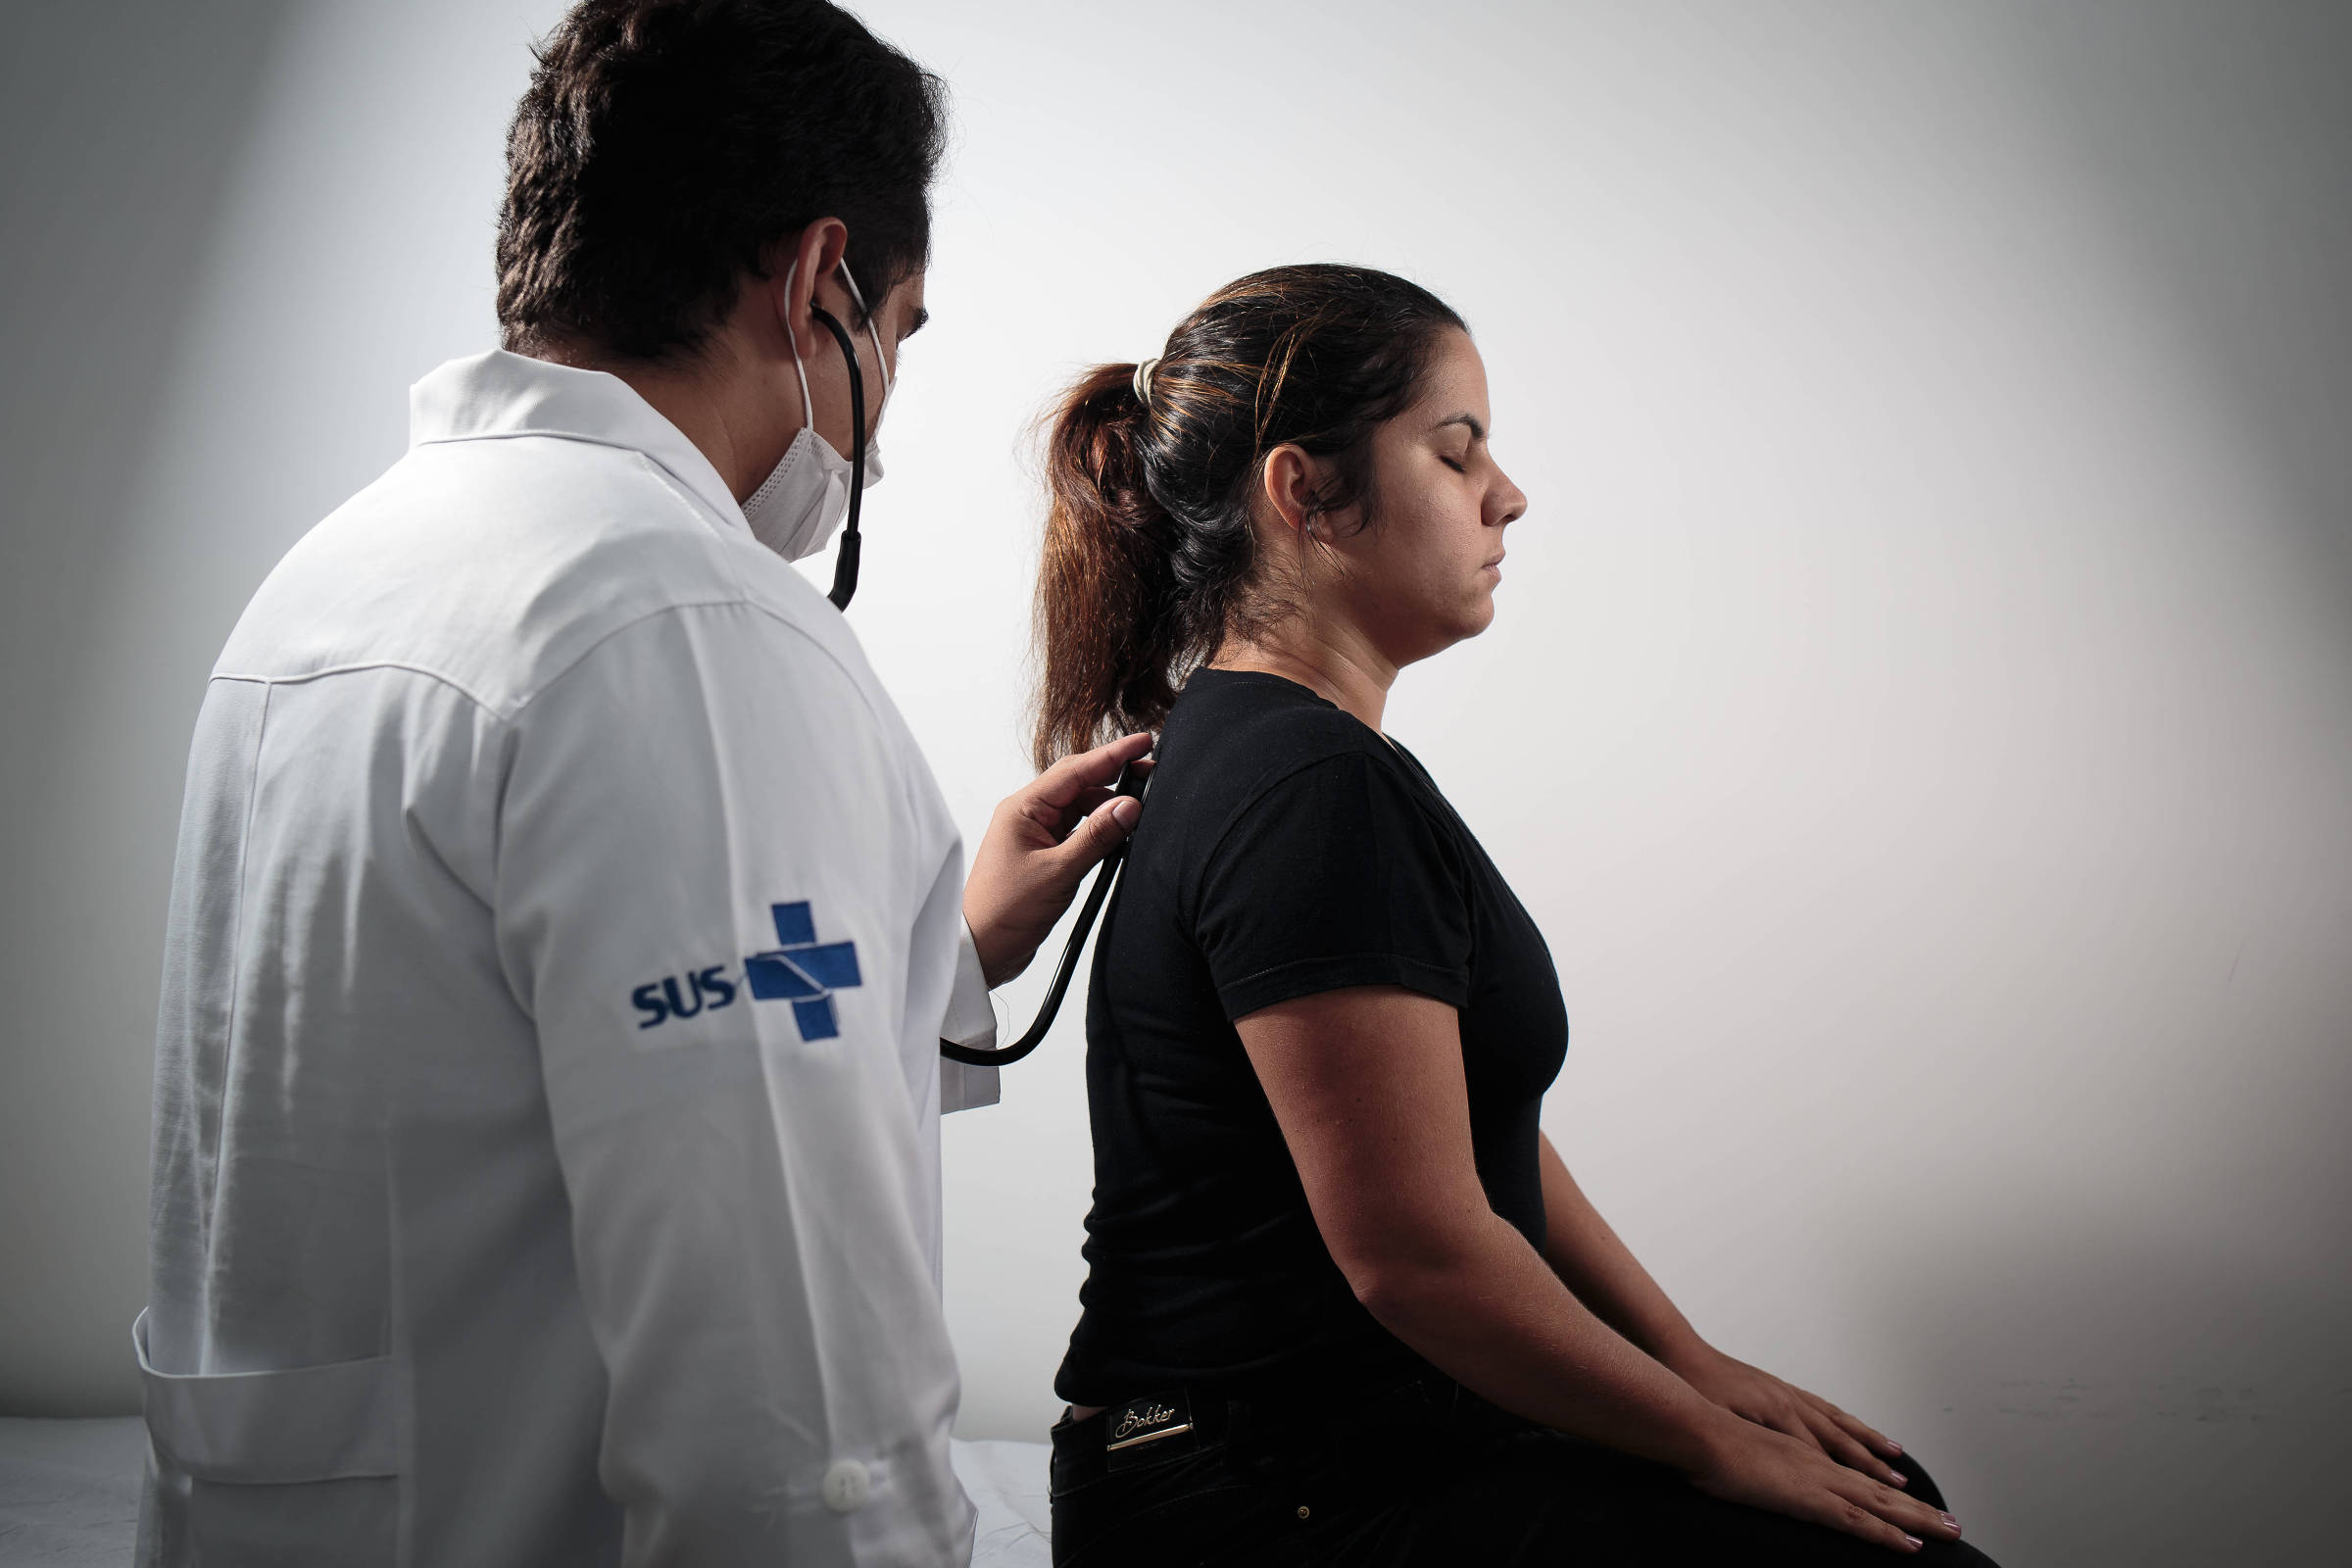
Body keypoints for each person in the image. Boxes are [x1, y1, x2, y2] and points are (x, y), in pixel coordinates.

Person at [132, 3, 1148, 1563]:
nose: (893, 387)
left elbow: (488, 1027)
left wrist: (941, 946)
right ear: (822, 283)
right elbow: (802, 1436)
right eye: (903, 331)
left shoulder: (336, 580)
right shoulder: (681, 625)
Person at [1030, 264, 1998, 1565]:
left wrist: (1698, 1369)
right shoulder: (1304, 788)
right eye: (1455, 451)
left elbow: (1472, 1128)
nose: (1508, 495)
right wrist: (1711, 1440)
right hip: (1254, 1490)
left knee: (1882, 1488)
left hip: (1307, 1447)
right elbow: (1417, 1257)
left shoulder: (1273, 751)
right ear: (1303, 490)